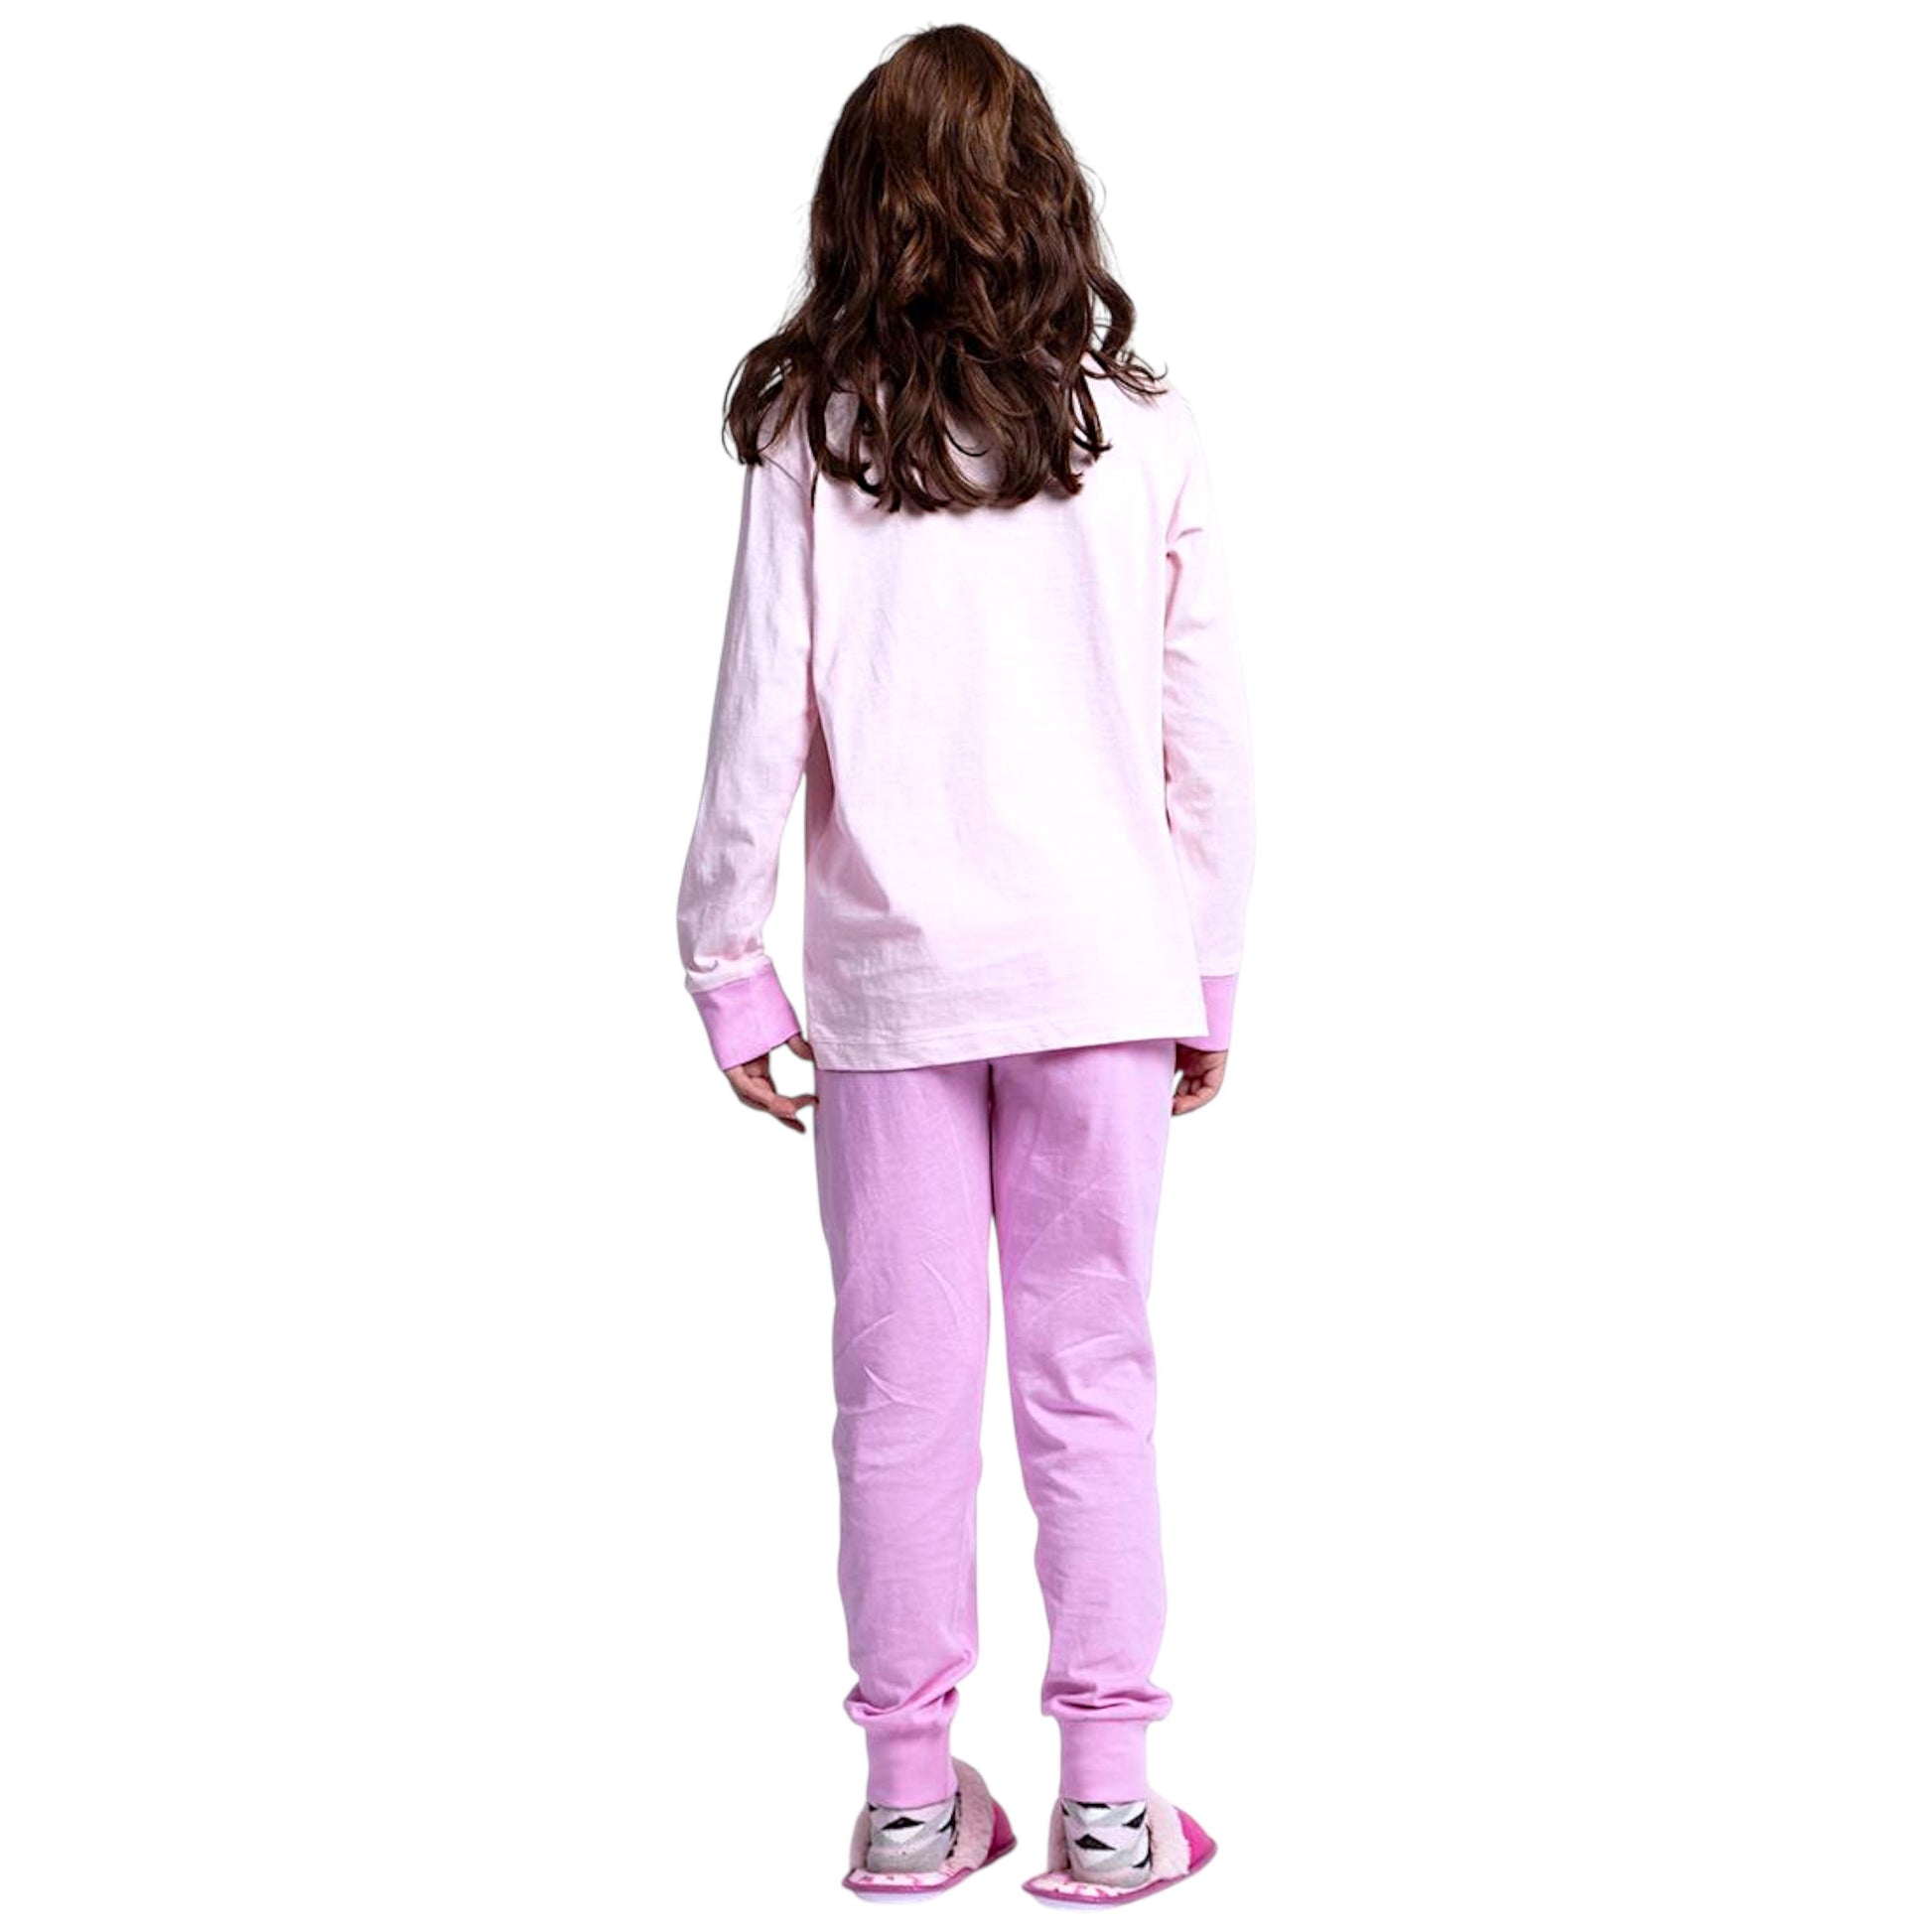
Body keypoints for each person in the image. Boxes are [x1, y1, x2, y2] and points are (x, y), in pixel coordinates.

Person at [674, 25, 1255, 1902]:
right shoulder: (1142, 429)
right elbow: (1206, 734)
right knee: (1094, 1382)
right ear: (1046, 201)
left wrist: (726, 966)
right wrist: (1207, 971)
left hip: (895, 1000)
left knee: (899, 1396)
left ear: (859, 209)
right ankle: (1111, 1800)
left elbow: (756, 715)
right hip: (1101, 977)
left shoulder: (814, 433)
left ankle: (914, 1800)